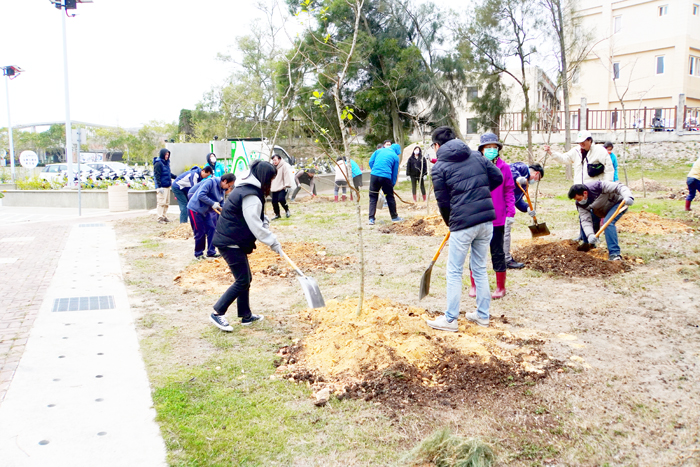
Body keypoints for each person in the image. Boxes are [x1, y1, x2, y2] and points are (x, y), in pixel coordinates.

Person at [426, 126, 503, 331]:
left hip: (463, 223)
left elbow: (443, 202)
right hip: (486, 220)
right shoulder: (477, 157)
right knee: (479, 269)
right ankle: (482, 315)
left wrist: (450, 222)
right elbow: (498, 178)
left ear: (436, 145)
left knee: (454, 271)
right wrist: (480, 194)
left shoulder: (439, 167)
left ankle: (450, 319)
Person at [210, 161, 282, 331]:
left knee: (245, 278)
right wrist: (273, 242)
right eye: (271, 179)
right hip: (230, 242)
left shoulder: (247, 189)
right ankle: (217, 312)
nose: (271, 183)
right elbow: (255, 226)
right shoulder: (250, 195)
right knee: (242, 280)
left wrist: (265, 222)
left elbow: (256, 217)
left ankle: (245, 315)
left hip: (233, 239)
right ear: (265, 178)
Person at [470, 132, 514, 299]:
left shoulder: (504, 168)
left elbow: (509, 190)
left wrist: (510, 211)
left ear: (498, 149)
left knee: (498, 251)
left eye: (493, 147)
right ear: (481, 150)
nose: (490, 150)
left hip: (498, 216)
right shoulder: (474, 166)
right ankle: (474, 285)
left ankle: (500, 287)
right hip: (478, 215)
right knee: (476, 251)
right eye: (487, 148)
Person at [568, 181, 634, 261]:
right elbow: (585, 220)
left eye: (579, 199)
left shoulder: (597, 186)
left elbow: (619, 187)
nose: (578, 201)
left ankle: (614, 254)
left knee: (608, 223)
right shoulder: (580, 204)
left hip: (617, 203)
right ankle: (589, 244)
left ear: (585, 193)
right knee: (588, 218)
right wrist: (590, 235)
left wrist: (628, 197)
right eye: (576, 200)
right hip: (600, 210)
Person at [187, 173, 236, 260]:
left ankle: (211, 252)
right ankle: (198, 254)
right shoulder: (211, 182)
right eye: (229, 185)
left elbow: (221, 202)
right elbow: (201, 195)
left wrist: (227, 212)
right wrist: (212, 203)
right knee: (200, 232)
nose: (229, 188)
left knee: (212, 229)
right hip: (195, 209)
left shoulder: (222, 189)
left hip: (206, 211)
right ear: (224, 181)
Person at [505, 162, 544, 269]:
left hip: (507, 207)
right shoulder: (522, 168)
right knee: (504, 233)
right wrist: (518, 178)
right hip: (500, 204)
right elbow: (510, 168)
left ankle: (504, 258)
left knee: (503, 232)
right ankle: (506, 260)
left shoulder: (524, 184)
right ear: (536, 174)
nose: (535, 181)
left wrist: (527, 208)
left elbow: (517, 200)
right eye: (537, 179)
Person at [544, 131, 614, 184]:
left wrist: (607, 185)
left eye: (583, 141)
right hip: (579, 189)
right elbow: (564, 158)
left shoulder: (600, 151)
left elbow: (609, 168)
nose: (581, 144)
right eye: (579, 142)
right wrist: (551, 152)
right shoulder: (576, 151)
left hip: (595, 188)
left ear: (590, 140)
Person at [368, 143, 402, 225]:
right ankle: (394, 217)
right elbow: (394, 173)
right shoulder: (395, 157)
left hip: (374, 176)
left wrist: (375, 170)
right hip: (386, 177)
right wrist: (392, 184)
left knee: (373, 197)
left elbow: (371, 161)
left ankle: (371, 219)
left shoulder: (379, 151)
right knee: (390, 197)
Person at [153, 148, 177, 223]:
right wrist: (159, 186)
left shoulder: (166, 163)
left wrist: (176, 177)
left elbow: (168, 174)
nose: (167, 156)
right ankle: (160, 218)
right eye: (166, 154)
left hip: (167, 186)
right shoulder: (158, 163)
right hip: (162, 186)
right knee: (161, 203)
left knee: (166, 203)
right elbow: (157, 175)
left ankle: (164, 216)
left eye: (168, 155)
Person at [270, 154, 294, 219]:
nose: (274, 162)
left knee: (281, 199)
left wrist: (287, 185)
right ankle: (277, 214)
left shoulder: (284, 166)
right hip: (274, 187)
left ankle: (287, 210)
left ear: (279, 159)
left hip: (282, 186)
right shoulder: (272, 167)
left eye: (275, 160)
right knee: (274, 202)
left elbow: (286, 175)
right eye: (273, 160)